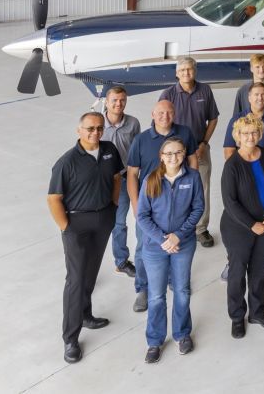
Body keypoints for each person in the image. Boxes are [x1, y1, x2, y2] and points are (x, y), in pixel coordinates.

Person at [47, 112, 123, 364]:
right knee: (76, 279)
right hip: (77, 224)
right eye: (90, 128)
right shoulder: (66, 163)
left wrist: (113, 206)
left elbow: (116, 178)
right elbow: (53, 199)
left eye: (100, 128)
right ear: (79, 130)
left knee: (90, 273)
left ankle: (86, 315)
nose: (95, 133)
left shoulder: (110, 150)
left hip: (103, 219)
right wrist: (66, 227)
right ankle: (70, 338)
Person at [136, 137, 205, 364]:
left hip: (183, 245)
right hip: (155, 248)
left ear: (184, 154)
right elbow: (142, 216)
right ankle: (154, 340)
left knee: (182, 290)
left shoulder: (193, 178)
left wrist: (178, 235)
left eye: (177, 153)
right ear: (161, 157)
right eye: (168, 154)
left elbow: (198, 209)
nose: (173, 157)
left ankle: (182, 333)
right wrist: (162, 238)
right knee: (156, 296)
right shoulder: (150, 179)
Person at [127, 101, 198, 313]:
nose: (164, 116)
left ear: (174, 113)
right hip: (150, 206)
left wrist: (191, 187)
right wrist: (135, 203)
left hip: (178, 203)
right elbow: (132, 173)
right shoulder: (141, 140)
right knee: (143, 248)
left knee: (176, 247)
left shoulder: (185, 133)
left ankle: (171, 280)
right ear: (153, 114)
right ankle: (143, 287)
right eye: (160, 112)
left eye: (169, 112)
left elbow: (193, 160)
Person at [220, 114, 264, 339]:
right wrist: (252, 224)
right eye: (245, 133)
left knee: (258, 270)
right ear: (237, 136)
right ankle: (237, 317)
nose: (250, 136)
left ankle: (257, 312)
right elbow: (230, 202)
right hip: (238, 227)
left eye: (254, 132)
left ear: (259, 134)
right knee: (237, 274)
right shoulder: (232, 165)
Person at [221, 81, 264, 279]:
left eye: (263, 95)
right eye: (255, 95)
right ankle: (233, 262)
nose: (259, 98)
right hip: (243, 176)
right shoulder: (237, 119)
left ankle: (263, 259)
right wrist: (243, 169)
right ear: (248, 98)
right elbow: (228, 149)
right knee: (241, 225)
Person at [159, 56, 219, 248]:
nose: (186, 73)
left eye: (190, 69)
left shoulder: (205, 90)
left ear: (195, 71)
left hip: (200, 150)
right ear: (177, 73)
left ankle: (201, 229)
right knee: (175, 190)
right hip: (174, 155)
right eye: (182, 70)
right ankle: (179, 229)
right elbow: (160, 123)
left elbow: (213, 119)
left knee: (202, 188)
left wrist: (203, 143)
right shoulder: (168, 94)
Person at [101, 86, 141, 277]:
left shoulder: (133, 123)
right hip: (101, 181)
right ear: (106, 102)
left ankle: (121, 261)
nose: (119, 104)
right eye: (115, 100)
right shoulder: (98, 123)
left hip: (124, 179)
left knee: (119, 223)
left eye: (122, 100)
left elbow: (136, 152)